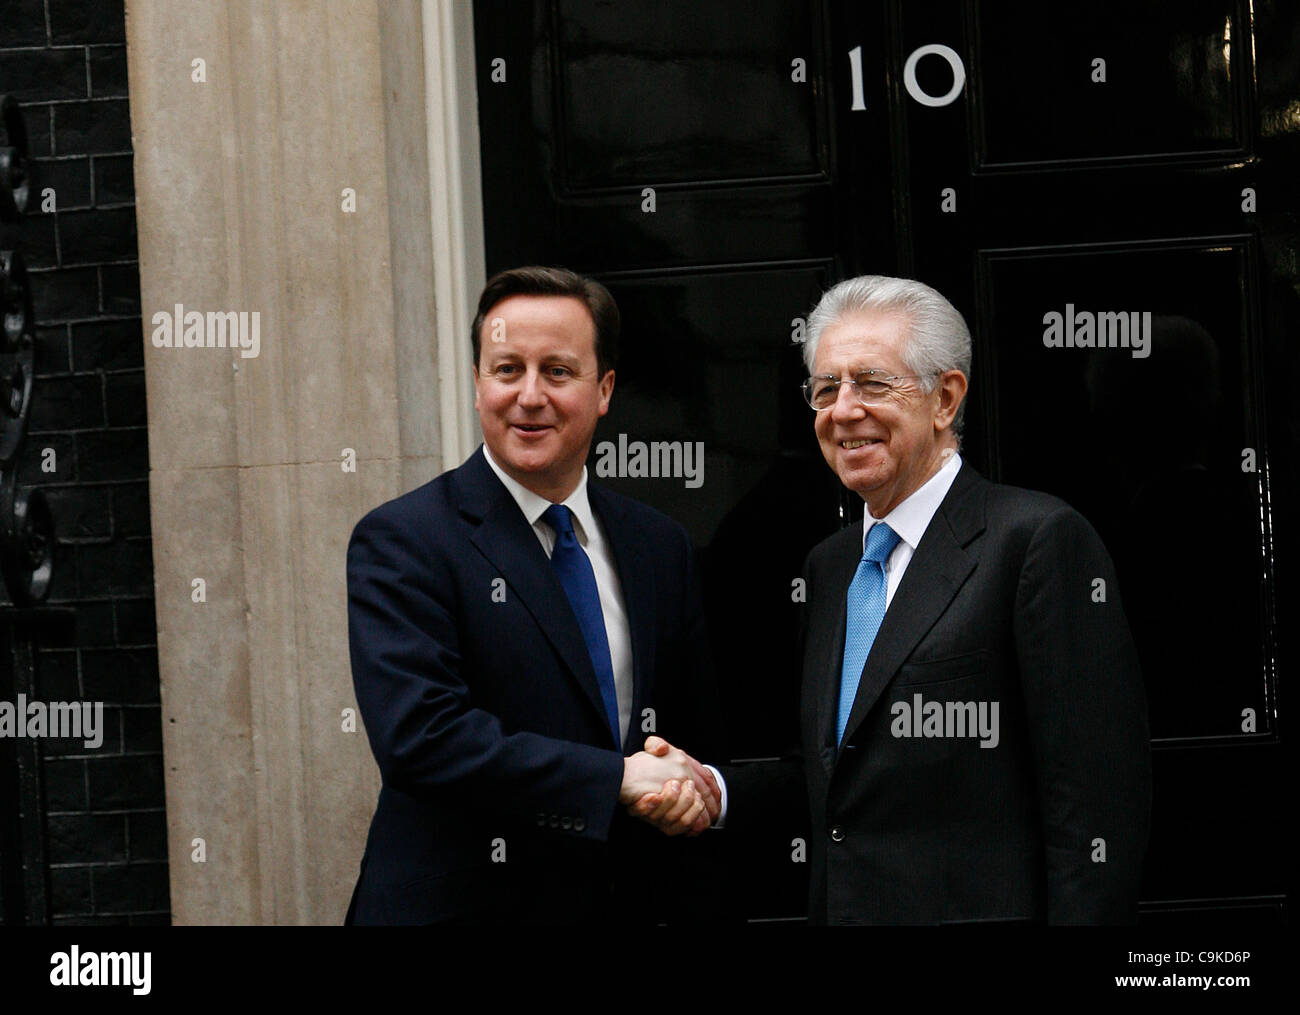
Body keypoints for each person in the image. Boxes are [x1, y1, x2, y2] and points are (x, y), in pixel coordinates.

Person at [635, 275, 1152, 924]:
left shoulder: (1034, 543)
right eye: (826, 388)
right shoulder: (831, 567)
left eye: (872, 383)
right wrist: (712, 788)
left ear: (946, 397)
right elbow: (835, 779)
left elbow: (1096, 806)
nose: (843, 409)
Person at [345, 266, 723, 925]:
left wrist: (694, 788)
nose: (528, 395)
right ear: (476, 384)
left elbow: (688, 731)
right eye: (506, 369)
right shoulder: (404, 540)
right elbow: (422, 738)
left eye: (556, 371)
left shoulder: (658, 545)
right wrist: (615, 780)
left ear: (603, 389)